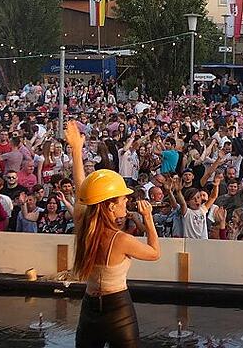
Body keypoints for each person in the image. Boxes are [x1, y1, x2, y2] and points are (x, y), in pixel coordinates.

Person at [66, 121, 160, 348]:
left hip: (89, 308)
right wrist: (148, 220)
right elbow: (155, 253)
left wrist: (77, 151)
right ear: (109, 207)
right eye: (122, 198)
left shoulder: (83, 222)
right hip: (118, 310)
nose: (126, 200)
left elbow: (82, 191)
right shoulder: (122, 240)